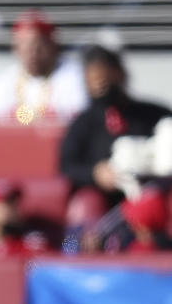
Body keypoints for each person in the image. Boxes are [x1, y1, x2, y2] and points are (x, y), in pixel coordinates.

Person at [59, 44, 172, 208]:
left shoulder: (154, 115)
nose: (99, 85)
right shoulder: (83, 123)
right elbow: (67, 165)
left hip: (153, 195)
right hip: (107, 203)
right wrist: (96, 174)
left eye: (105, 79)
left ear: (119, 74)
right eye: (93, 81)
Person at [0, 9, 87, 124]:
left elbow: (78, 115)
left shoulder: (72, 76)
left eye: (38, 45)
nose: (33, 52)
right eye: (25, 45)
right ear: (16, 48)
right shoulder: (1, 82)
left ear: (52, 45)